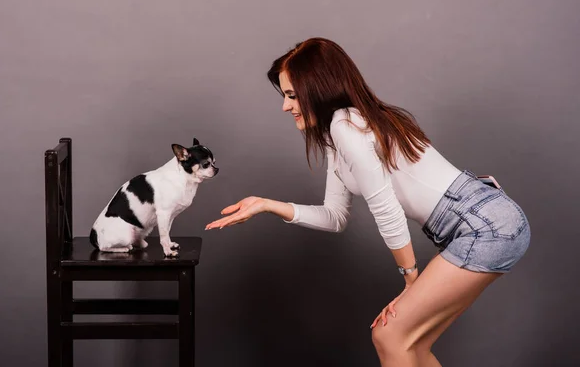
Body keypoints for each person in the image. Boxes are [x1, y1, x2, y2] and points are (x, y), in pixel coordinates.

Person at [205, 37, 531, 366]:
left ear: (318, 88)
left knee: (390, 335)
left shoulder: (347, 126)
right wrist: (266, 204)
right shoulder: (341, 132)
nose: (285, 106)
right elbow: (335, 216)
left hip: (483, 225)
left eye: (291, 95)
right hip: (480, 221)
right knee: (411, 344)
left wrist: (410, 282)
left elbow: (386, 208)